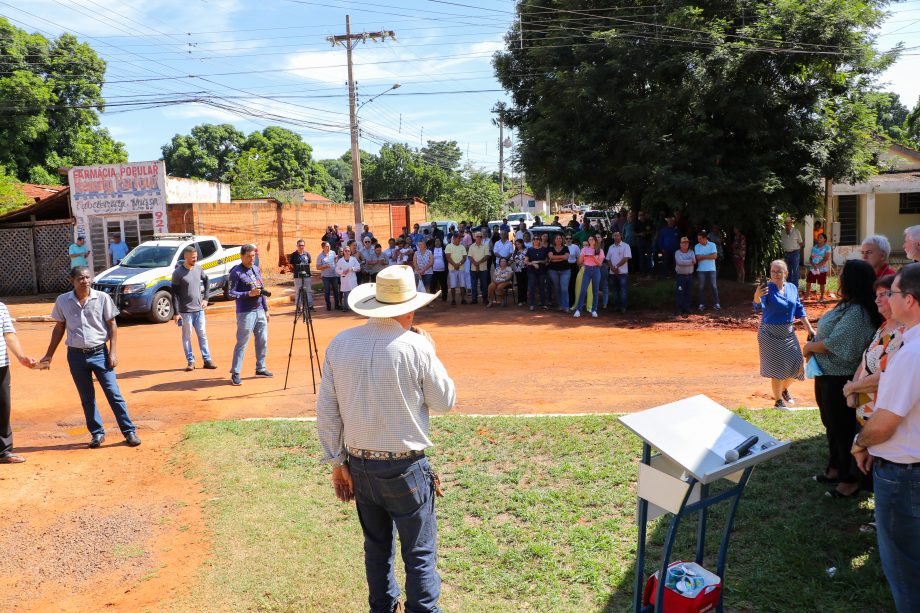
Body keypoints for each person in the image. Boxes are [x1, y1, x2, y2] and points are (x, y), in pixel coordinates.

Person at [317, 265, 455, 613]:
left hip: (359, 465)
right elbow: (445, 402)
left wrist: (337, 464)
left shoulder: (340, 343)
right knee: (419, 553)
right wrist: (432, 353)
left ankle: (382, 608)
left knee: (376, 548)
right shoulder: (416, 347)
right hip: (406, 467)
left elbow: (327, 411)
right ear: (409, 308)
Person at [849, 264, 920, 612]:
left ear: (909, 300)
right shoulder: (910, 342)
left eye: (892, 293)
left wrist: (861, 442)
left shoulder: (911, 353)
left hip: (904, 475)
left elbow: (885, 423)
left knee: (905, 570)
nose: (887, 299)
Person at [804, 259, 881, 498]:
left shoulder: (858, 312)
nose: (838, 276)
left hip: (841, 378)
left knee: (843, 428)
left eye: (842, 274)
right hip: (828, 375)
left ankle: (850, 480)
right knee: (832, 426)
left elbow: (837, 343)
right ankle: (835, 469)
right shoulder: (849, 304)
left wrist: (809, 348)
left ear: (852, 280)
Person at [40, 266, 141, 448]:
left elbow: (112, 325)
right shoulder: (63, 301)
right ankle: (97, 433)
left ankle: (129, 431)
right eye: (80, 278)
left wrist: (113, 352)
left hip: (100, 354)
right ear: (72, 280)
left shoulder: (102, 298)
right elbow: (59, 328)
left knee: (113, 394)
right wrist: (49, 354)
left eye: (87, 277)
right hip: (75, 356)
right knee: (87, 397)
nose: (85, 281)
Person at [753, 260, 816, 409]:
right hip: (769, 334)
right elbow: (757, 305)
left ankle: (783, 389)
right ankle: (778, 401)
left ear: (786, 273)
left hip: (788, 332)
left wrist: (809, 329)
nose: (775, 274)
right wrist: (756, 295)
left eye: (779, 271)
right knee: (777, 369)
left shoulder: (792, 288)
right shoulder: (767, 288)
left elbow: (799, 309)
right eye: (773, 271)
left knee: (798, 365)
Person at [843, 275, 904, 427]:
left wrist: (851, 388)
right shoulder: (883, 328)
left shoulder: (904, 333)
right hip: (864, 415)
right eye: (876, 296)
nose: (877, 300)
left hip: (881, 420)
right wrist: (852, 393)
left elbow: (883, 378)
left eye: (882, 295)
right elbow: (864, 364)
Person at [227, 244, 272, 386]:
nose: (252, 258)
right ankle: (235, 372)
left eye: (253, 256)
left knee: (263, 340)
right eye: (248, 256)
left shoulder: (256, 269)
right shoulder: (236, 272)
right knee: (242, 342)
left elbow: (261, 289)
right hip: (245, 312)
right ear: (242, 256)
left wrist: (266, 309)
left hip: (259, 310)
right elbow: (230, 293)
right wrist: (248, 293)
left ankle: (261, 367)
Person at [0, 301, 37, 464]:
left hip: (1, 364)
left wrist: (22, 357)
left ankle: (3, 451)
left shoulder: (1, 307)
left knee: (3, 406)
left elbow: (9, 334)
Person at [171, 246, 217, 372]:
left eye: (196, 257)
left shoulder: (198, 268)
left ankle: (207, 360)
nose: (195, 259)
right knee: (187, 336)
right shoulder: (177, 273)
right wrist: (176, 313)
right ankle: (190, 361)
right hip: (185, 312)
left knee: (202, 334)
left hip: (199, 310)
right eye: (192, 257)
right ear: (185, 257)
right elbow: (174, 294)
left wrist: (206, 298)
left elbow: (207, 281)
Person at [573, 235, 605, 318]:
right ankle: (578, 310)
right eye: (589, 239)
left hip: (596, 270)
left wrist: (593, 257)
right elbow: (579, 262)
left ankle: (594, 310)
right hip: (586, 270)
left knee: (595, 291)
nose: (590, 241)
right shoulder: (584, 249)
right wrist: (582, 258)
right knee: (583, 290)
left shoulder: (600, 250)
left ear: (595, 241)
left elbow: (600, 264)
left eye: (592, 239)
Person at [694, 230, 720, 312]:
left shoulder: (712, 245)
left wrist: (703, 256)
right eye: (698, 239)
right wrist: (709, 256)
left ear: (705, 238)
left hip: (712, 269)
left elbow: (715, 256)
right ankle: (702, 304)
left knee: (714, 287)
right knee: (701, 287)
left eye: (700, 239)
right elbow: (698, 257)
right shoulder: (696, 246)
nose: (699, 240)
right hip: (701, 270)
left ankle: (716, 303)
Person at [605, 231, 631, 313]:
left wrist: (616, 266)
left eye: (618, 235)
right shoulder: (611, 247)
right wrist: (612, 267)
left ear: (621, 237)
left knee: (623, 291)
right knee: (615, 291)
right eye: (614, 236)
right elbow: (608, 259)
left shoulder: (626, 246)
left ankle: (623, 307)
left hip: (622, 272)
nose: (616, 237)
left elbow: (626, 258)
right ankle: (617, 306)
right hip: (613, 273)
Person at [288, 239, 315, 311]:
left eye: (303, 245)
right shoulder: (293, 255)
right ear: (297, 246)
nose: (301, 247)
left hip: (307, 276)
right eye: (300, 245)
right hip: (297, 276)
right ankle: (298, 306)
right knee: (298, 291)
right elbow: (291, 265)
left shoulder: (307, 254)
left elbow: (308, 263)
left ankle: (310, 305)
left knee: (308, 291)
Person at [805, 233, 832, 302]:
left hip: (822, 269)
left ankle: (822, 297)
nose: (819, 239)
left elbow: (826, 258)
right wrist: (814, 266)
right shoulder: (815, 247)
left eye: (821, 237)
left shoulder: (827, 247)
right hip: (813, 268)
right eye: (818, 237)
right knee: (808, 281)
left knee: (822, 283)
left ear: (824, 239)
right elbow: (810, 258)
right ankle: (807, 296)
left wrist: (818, 266)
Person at [547, 234, 571, 312]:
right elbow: (550, 257)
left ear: (562, 239)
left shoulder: (566, 247)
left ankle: (566, 306)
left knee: (564, 288)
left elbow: (566, 257)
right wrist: (561, 257)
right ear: (554, 240)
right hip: (553, 270)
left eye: (560, 238)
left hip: (565, 270)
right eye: (556, 238)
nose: (558, 239)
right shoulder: (550, 248)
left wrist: (555, 259)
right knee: (557, 288)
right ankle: (560, 305)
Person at [525, 236, 549, 312]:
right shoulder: (530, 250)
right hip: (531, 271)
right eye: (534, 239)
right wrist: (532, 264)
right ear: (532, 241)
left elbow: (547, 261)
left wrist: (538, 262)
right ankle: (532, 304)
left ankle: (543, 304)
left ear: (540, 240)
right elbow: (526, 261)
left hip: (542, 271)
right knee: (532, 288)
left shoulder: (544, 250)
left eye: (537, 239)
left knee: (542, 287)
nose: (536, 240)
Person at [467, 232, 490, 306]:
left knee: (484, 284)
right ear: (474, 237)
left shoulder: (486, 246)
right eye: (477, 236)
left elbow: (487, 256)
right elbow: (469, 256)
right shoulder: (471, 246)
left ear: (482, 238)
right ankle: (474, 299)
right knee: (474, 284)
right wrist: (475, 264)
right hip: (473, 269)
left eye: (480, 236)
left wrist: (478, 263)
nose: (479, 238)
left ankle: (485, 298)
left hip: (483, 268)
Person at [445, 233, 468, 306]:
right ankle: (453, 300)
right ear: (454, 238)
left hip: (461, 268)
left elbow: (464, 257)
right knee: (453, 285)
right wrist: (455, 264)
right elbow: (448, 257)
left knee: (462, 285)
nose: (460, 239)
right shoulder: (449, 246)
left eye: (460, 238)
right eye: (458, 238)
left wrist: (459, 264)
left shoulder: (462, 247)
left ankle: (463, 299)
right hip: (452, 269)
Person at [317, 242, 341, 311]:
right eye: (327, 246)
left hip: (334, 275)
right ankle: (328, 305)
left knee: (336, 291)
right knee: (327, 291)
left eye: (329, 246)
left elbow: (335, 260)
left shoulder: (333, 253)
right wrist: (324, 267)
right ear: (323, 247)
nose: (328, 247)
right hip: (326, 277)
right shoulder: (320, 256)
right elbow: (317, 267)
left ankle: (337, 305)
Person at [675, 237, 696, 315]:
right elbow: (680, 262)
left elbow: (694, 261)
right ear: (680, 244)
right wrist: (690, 261)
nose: (685, 244)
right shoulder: (677, 252)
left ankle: (687, 308)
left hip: (690, 275)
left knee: (689, 292)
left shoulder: (691, 251)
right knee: (680, 293)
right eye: (683, 243)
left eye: (687, 243)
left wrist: (685, 261)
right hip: (681, 276)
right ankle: (679, 309)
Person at [336, 246, 360, 311]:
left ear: (350, 252)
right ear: (343, 252)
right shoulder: (340, 261)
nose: (347, 252)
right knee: (346, 293)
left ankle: (354, 307)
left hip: (352, 278)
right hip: (345, 278)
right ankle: (345, 307)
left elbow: (358, 267)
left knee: (353, 293)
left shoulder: (354, 259)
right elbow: (337, 269)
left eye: (348, 251)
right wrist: (342, 272)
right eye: (345, 251)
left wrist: (352, 268)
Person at [429, 238, 448, 303]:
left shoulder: (444, 249)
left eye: (439, 241)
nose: (437, 242)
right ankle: (432, 298)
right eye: (436, 241)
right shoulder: (431, 250)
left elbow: (446, 259)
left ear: (441, 242)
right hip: (433, 270)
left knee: (444, 285)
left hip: (443, 270)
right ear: (434, 242)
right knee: (433, 285)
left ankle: (444, 297)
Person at [511, 239, 528, 307]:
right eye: (516, 244)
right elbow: (512, 260)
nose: (517, 245)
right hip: (518, 270)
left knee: (525, 285)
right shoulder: (515, 251)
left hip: (525, 269)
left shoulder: (527, 250)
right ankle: (520, 300)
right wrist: (505, 263)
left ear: (522, 243)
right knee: (520, 285)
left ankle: (525, 300)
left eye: (519, 244)